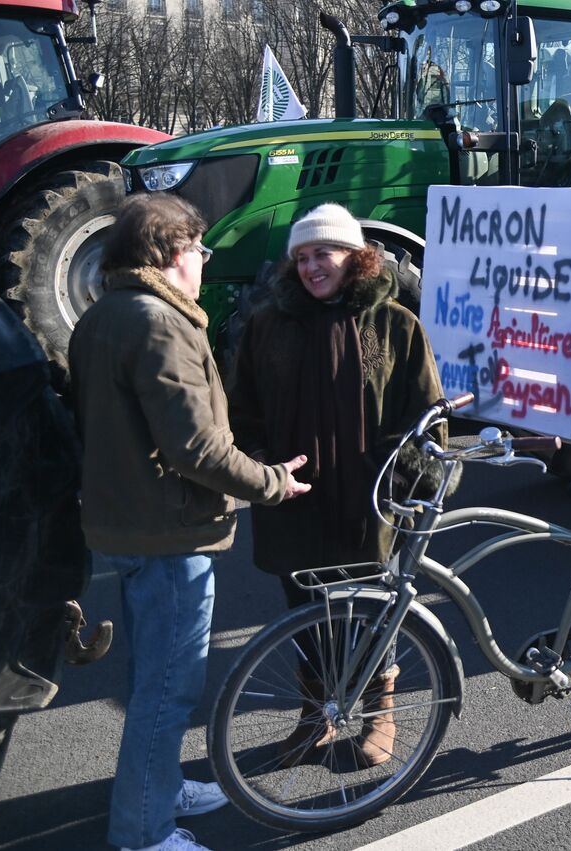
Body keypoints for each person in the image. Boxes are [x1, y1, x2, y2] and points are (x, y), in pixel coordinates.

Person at [68, 194, 311, 851]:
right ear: (173, 255)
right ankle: (144, 832)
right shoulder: (160, 323)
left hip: (130, 525)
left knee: (153, 675)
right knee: (168, 689)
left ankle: (161, 788)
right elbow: (195, 447)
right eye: (199, 251)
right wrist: (271, 481)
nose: (204, 263)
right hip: (168, 529)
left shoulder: (102, 315)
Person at [229, 203, 449, 770]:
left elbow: (429, 418)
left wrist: (402, 481)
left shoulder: (397, 324)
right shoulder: (266, 325)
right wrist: (257, 465)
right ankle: (315, 715)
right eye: (300, 257)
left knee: (373, 609)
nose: (309, 266)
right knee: (301, 607)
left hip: (370, 504)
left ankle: (381, 712)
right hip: (292, 501)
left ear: (356, 258)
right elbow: (243, 411)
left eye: (321, 253)